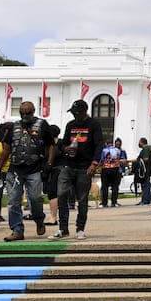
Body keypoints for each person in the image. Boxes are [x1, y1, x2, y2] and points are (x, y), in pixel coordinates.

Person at [0, 102, 53, 241]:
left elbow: (51, 145)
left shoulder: (42, 125)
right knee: (13, 201)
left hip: (34, 168)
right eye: (22, 113)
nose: (25, 116)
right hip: (15, 169)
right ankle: (17, 230)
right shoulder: (13, 127)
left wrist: (49, 164)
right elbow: (6, 149)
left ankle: (39, 219)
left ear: (34, 111)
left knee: (35, 198)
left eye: (28, 113)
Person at [51, 100, 104, 240]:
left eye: (76, 113)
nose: (74, 116)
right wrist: (65, 148)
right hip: (68, 165)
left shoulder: (94, 124)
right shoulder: (71, 125)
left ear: (83, 112)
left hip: (84, 167)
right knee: (62, 195)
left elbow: (99, 145)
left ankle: (80, 228)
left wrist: (94, 164)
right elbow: (63, 143)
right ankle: (63, 228)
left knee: (82, 199)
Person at [99, 137, 126, 208]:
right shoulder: (117, 150)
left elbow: (101, 160)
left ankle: (104, 203)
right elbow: (120, 158)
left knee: (105, 186)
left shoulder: (104, 150)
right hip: (115, 169)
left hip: (106, 169)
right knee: (115, 186)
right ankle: (114, 202)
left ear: (106, 144)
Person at [133, 138, 151, 205]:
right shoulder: (146, 149)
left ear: (142, 142)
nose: (139, 143)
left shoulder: (146, 149)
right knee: (145, 184)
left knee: (145, 184)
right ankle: (145, 199)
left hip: (145, 171)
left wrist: (138, 160)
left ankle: (145, 199)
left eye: (139, 142)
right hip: (145, 171)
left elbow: (146, 159)